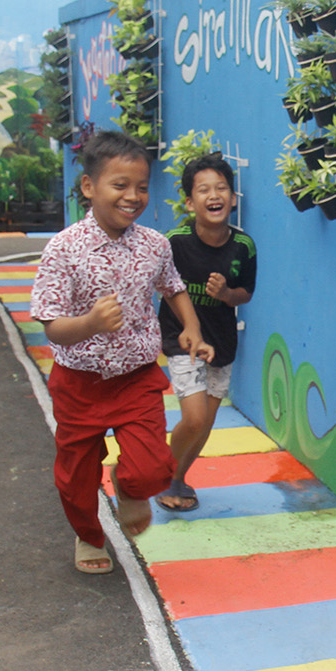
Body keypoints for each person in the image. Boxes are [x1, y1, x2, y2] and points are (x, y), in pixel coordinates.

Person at [30, 131, 213, 574]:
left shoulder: (154, 245)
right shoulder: (64, 249)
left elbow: (172, 288)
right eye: (120, 185)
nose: (133, 196)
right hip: (79, 383)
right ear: (89, 187)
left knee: (152, 467)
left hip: (136, 378)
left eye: (143, 186)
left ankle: (130, 489)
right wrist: (90, 324)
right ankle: (89, 536)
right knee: (75, 476)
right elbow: (52, 324)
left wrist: (191, 327)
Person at [156, 152, 256, 512]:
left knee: (206, 423)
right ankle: (161, 472)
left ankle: (178, 478)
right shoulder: (175, 242)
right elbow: (162, 286)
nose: (214, 196)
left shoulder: (243, 246)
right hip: (181, 340)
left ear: (232, 198)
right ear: (189, 201)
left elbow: (246, 292)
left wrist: (226, 294)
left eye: (221, 188)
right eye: (203, 190)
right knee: (194, 417)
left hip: (223, 343)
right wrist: (186, 326)